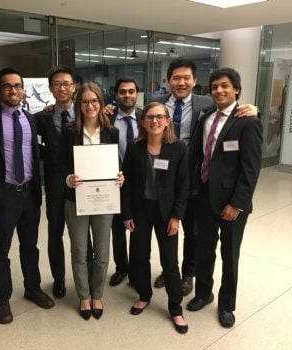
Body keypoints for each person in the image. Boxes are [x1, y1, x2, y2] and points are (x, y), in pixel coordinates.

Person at [150, 58, 258, 294]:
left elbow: (234, 111)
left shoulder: (206, 104)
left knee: (193, 231)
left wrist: (254, 108)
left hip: (192, 180)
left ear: (194, 81)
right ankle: (169, 269)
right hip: (163, 179)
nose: (181, 82)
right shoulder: (156, 103)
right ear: (168, 81)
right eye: (176, 78)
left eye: (186, 78)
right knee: (166, 227)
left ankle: (189, 274)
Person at [186, 67, 262, 328]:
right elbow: (196, 156)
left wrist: (237, 204)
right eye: (214, 86)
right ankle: (203, 294)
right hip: (204, 197)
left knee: (230, 256)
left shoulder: (248, 121)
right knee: (205, 249)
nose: (218, 90)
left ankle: (227, 304)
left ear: (236, 90)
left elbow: (251, 169)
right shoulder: (204, 116)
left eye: (225, 86)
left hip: (232, 203)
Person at [0, 67, 54, 325]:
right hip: (4, 195)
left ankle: (32, 288)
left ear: (23, 89)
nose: (14, 90)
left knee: (30, 247)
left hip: (30, 194)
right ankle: (2, 298)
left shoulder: (30, 119)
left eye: (18, 85)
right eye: (8, 86)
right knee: (1, 249)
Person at [121, 102, 189, 334]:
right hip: (141, 211)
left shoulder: (178, 148)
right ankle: (144, 294)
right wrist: (126, 213)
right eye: (150, 117)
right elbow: (127, 184)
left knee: (169, 261)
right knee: (139, 256)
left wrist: (177, 216)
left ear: (168, 121)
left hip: (167, 212)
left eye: (160, 117)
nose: (155, 121)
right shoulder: (134, 147)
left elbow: (183, 185)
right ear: (143, 122)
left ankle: (175, 307)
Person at [59, 82, 124, 320]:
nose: (90, 105)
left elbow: (116, 163)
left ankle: (98, 294)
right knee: (79, 251)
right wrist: (68, 178)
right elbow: (60, 165)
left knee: (103, 251)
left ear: (101, 103)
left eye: (94, 100)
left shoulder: (112, 132)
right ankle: (84, 296)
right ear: (79, 105)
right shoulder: (68, 131)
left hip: (104, 199)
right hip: (76, 199)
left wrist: (119, 175)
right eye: (85, 101)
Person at [35, 65, 76, 298]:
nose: (62, 88)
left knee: (82, 234)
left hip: (82, 184)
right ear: (50, 88)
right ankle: (59, 278)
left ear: (74, 87)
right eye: (57, 84)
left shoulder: (85, 111)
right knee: (55, 233)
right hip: (54, 187)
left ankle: (87, 276)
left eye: (67, 83)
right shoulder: (42, 117)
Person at [107, 77, 142, 287]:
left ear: (137, 94)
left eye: (131, 91)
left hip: (140, 183)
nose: (127, 95)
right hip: (113, 181)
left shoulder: (148, 117)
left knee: (139, 229)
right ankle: (121, 268)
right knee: (117, 229)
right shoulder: (107, 118)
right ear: (116, 94)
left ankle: (137, 269)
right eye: (122, 92)